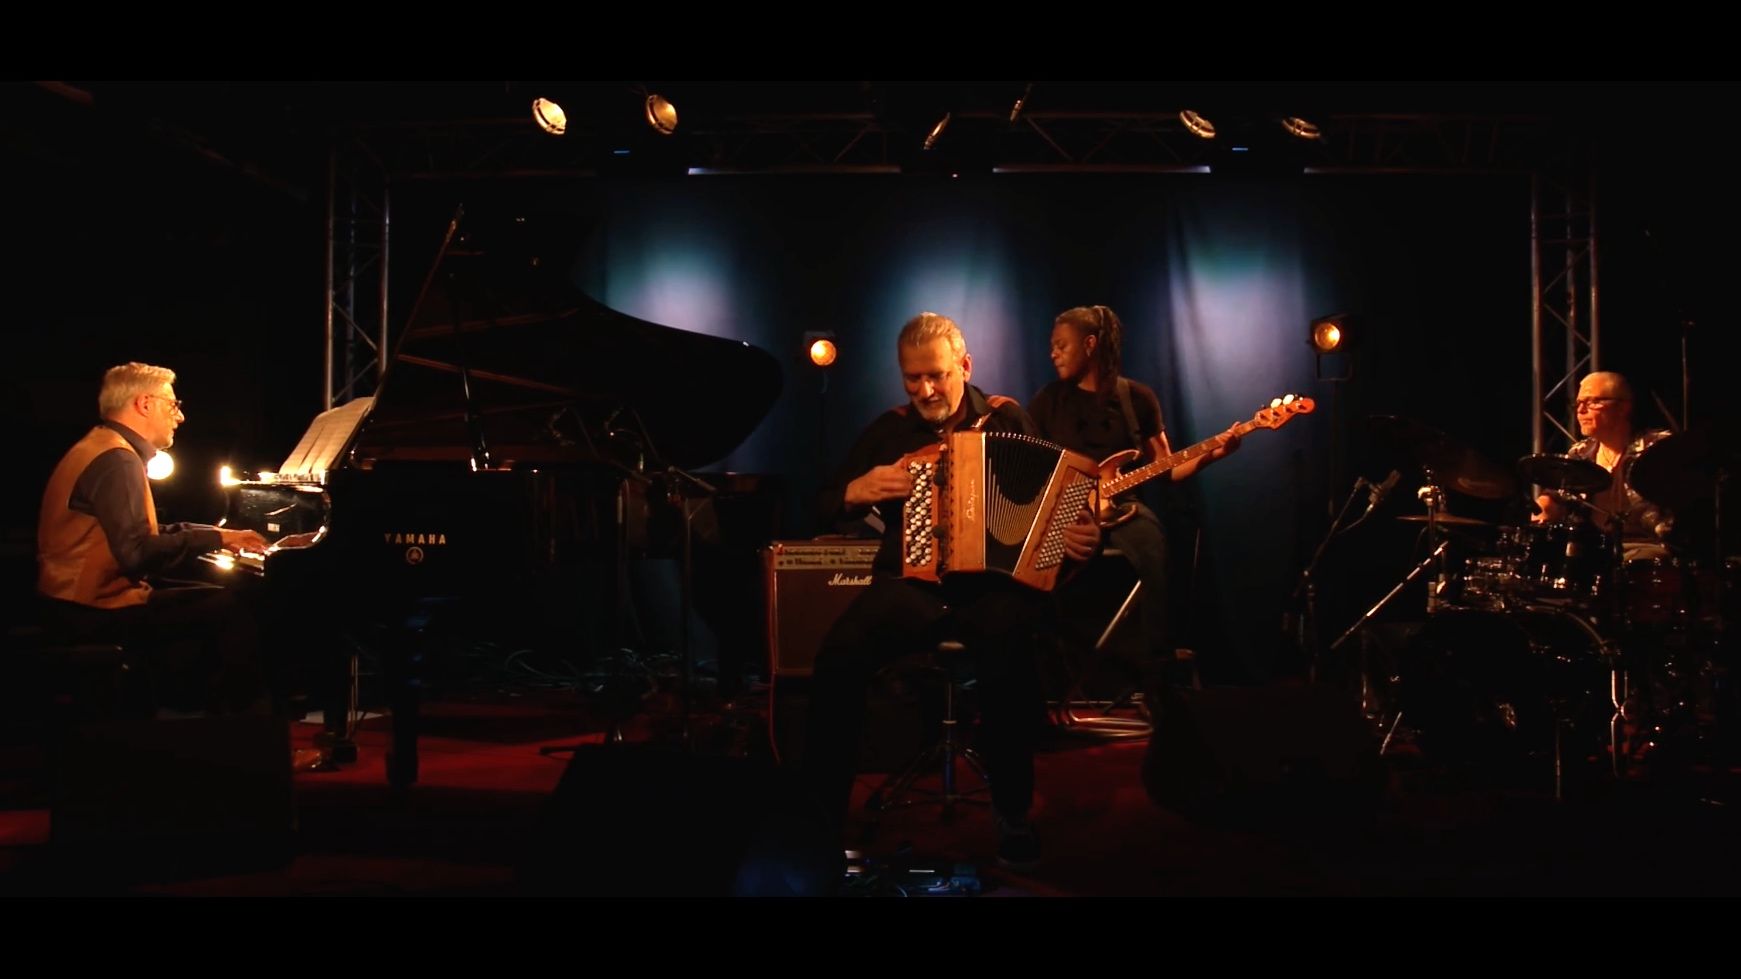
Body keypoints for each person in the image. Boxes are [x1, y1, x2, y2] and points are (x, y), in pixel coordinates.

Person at [806, 312, 1100, 872]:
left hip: (993, 589)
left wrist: (1079, 535)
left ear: (964, 366)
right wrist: (855, 491)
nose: (925, 391)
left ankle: (1012, 813)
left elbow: (1055, 499)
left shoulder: (1006, 418)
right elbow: (820, 503)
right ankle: (819, 818)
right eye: (912, 378)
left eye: (936, 376)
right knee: (838, 656)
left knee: (1009, 652)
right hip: (913, 587)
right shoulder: (890, 431)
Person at [37, 362, 278, 717]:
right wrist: (213, 540)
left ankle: (201, 720)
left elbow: (141, 534)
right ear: (145, 404)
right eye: (173, 405)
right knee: (229, 609)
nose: (180, 417)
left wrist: (219, 536)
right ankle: (244, 731)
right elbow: (137, 552)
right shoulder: (117, 460)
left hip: (73, 601)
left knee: (211, 596)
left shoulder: (102, 445)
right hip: (92, 611)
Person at [1026, 305, 1236, 681]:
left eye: (1061, 345)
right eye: (1052, 346)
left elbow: (1167, 467)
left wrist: (1215, 453)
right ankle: (1050, 673)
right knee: (1034, 570)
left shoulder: (1135, 398)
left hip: (1123, 507)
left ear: (1090, 344)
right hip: (1064, 508)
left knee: (1154, 551)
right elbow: (1031, 470)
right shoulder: (1048, 401)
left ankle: (1157, 673)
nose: (1053, 353)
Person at [1531, 371, 1672, 559]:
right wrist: (1546, 505)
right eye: (1578, 403)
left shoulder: (1657, 448)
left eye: (1592, 402)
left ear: (1623, 407)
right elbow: (1557, 495)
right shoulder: (1581, 453)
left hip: (1650, 549)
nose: (1581, 410)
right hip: (1597, 550)